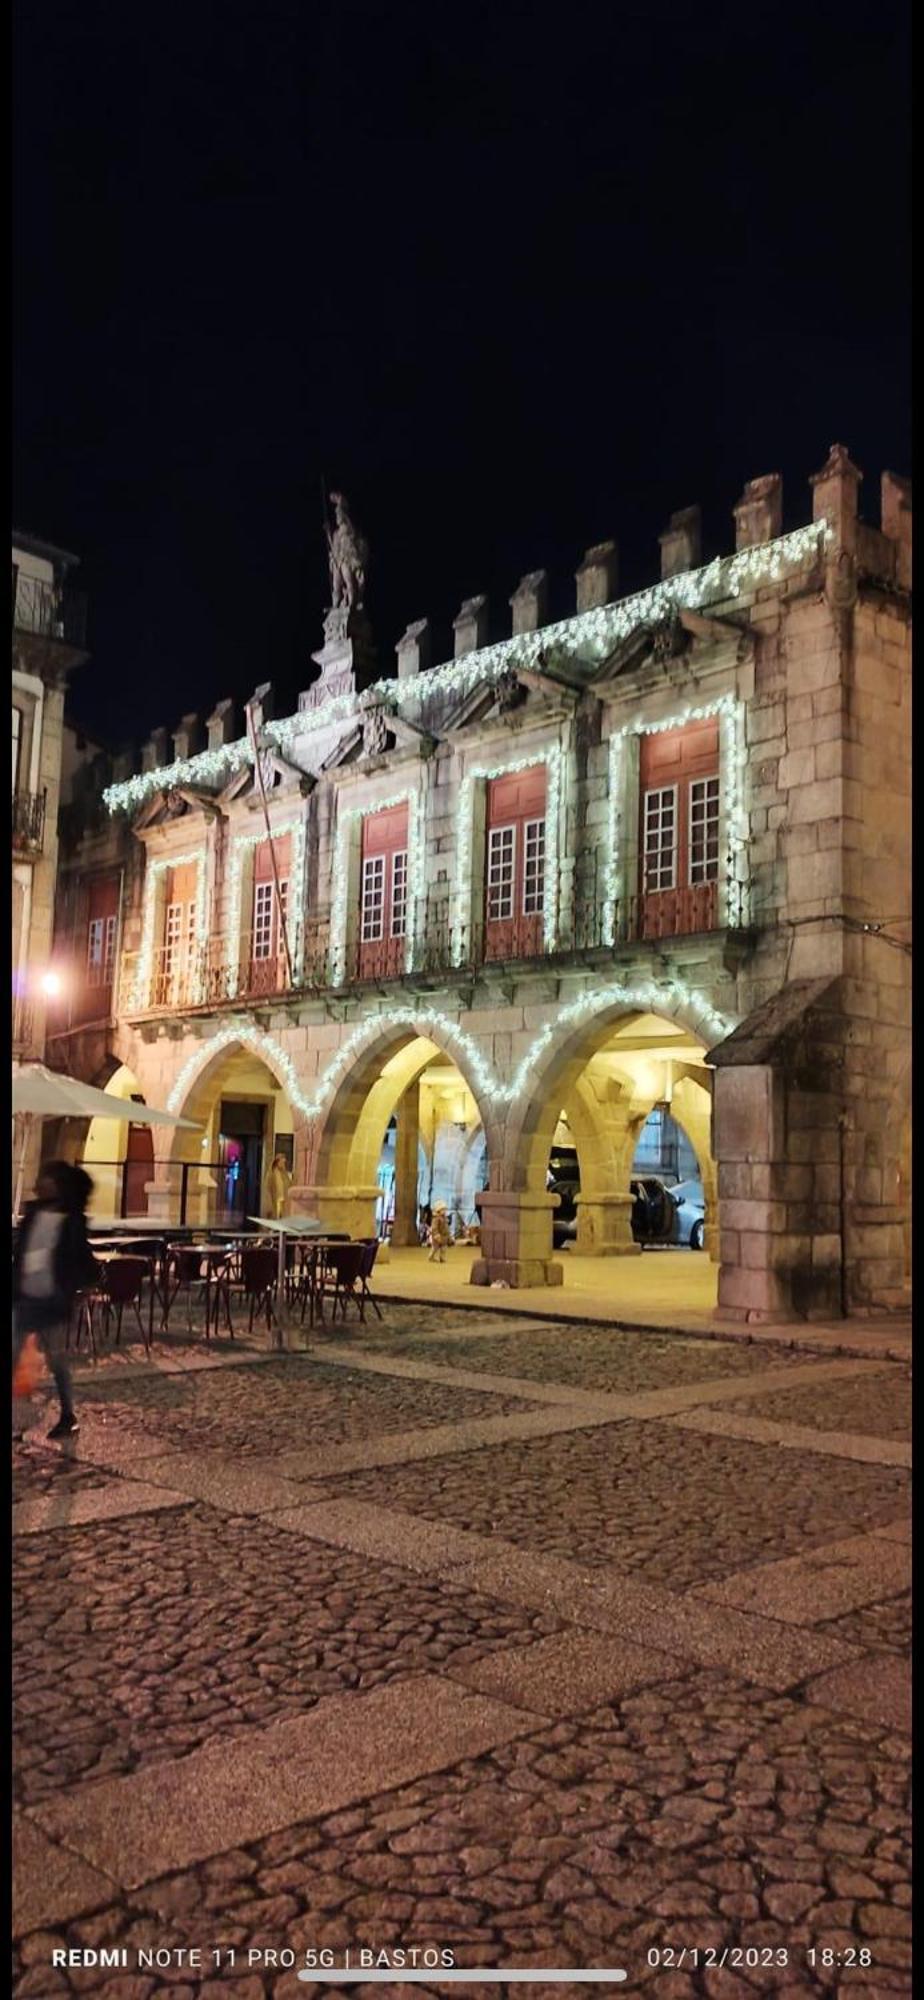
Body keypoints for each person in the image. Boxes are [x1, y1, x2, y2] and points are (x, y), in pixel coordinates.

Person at [12, 1162, 98, 1440]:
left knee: (57, 1360)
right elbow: (22, 1253)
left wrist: (80, 1284)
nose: (42, 1182)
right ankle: (19, 1419)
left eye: (47, 1177)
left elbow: (80, 1257)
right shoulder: (34, 1213)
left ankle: (68, 1415)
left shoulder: (72, 1220)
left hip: (52, 1299)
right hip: (26, 1295)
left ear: (59, 1183)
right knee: (14, 1355)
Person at [264, 1153, 292, 1219]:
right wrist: (269, 1201)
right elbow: (267, 1187)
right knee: (276, 1217)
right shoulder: (272, 1173)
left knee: (283, 1217)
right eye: (282, 1162)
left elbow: (289, 1184)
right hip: (275, 1199)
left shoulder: (285, 1174)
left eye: (284, 1163)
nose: (283, 1164)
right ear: (277, 1162)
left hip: (284, 1199)